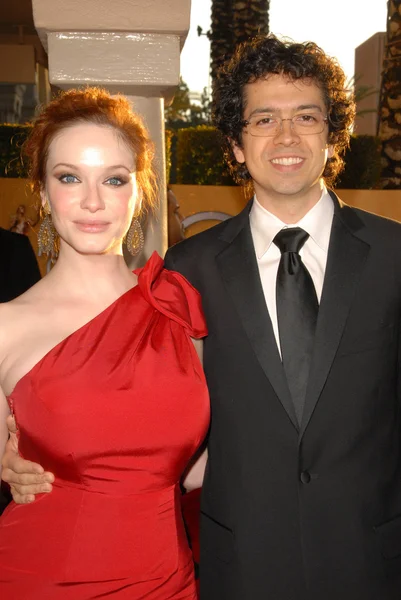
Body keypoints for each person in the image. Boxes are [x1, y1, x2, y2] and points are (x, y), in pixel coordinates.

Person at [3, 35, 401, 600]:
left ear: (332, 133)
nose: (286, 137)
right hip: (237, 569)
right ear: (236, 144)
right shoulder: (186, 276)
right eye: (263, 119)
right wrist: (21, 455)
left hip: (373, 564)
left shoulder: (395, 257)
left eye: (306, 116)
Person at [0, 87, 209, 599]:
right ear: (44, 194)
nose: (92, 201)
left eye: (113, 180)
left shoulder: (178, 308)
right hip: (43, 577)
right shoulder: (5, 326)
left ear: (139, 193)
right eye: (69, 177)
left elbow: (202, 465)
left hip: (169, 579)